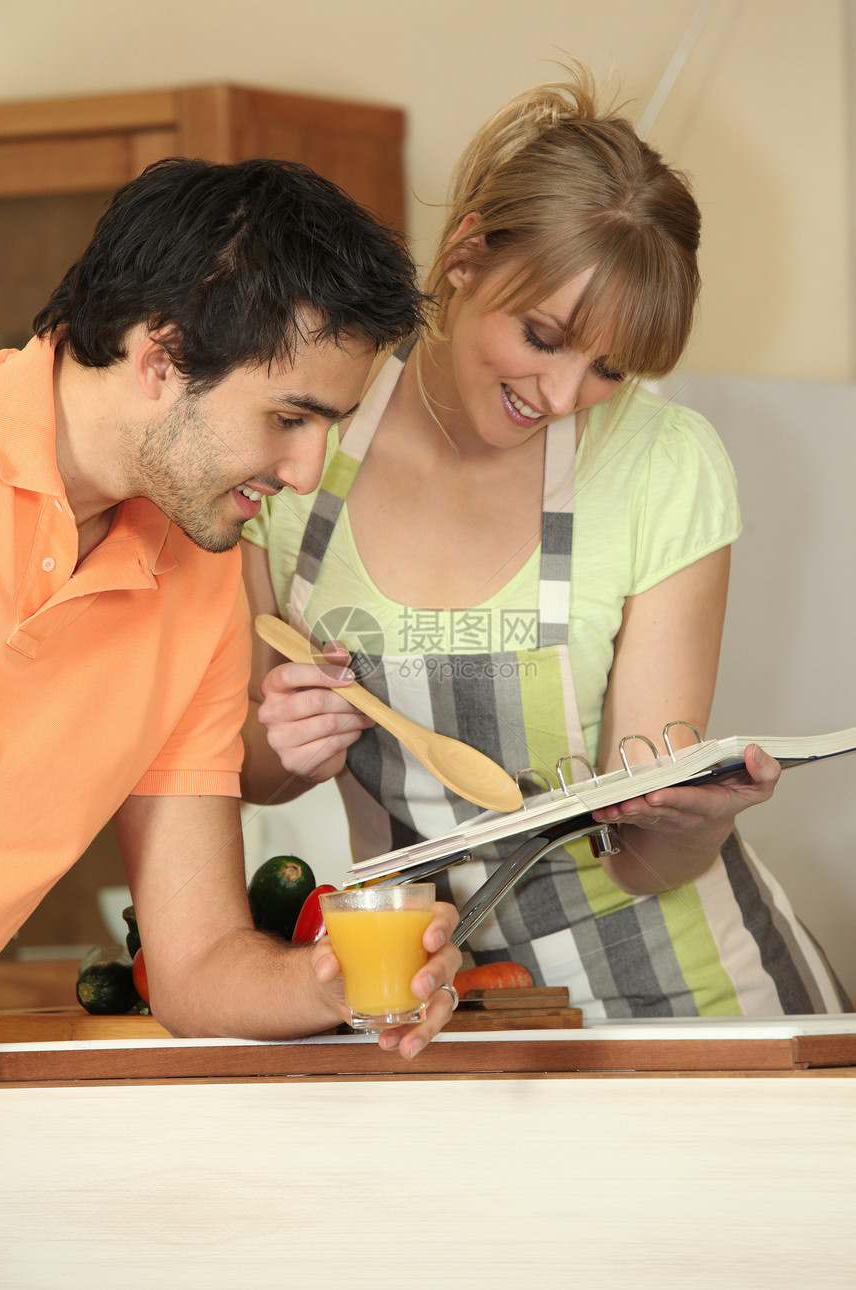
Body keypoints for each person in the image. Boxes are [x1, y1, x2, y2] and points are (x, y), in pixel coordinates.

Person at [240, 69, 851, 1019]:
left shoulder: (662, 461)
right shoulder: (307, 424)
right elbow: (243, 772)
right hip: (442, 1006)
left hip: (693, 1007)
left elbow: (650, 859)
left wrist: (695, 820)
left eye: (607, 367)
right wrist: (286, 745)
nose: (563, 397)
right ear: (466, 256)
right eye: (543, 336)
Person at [0, 156, 462, 1055]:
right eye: (289, 419)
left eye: (331, 426)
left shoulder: (203, 578)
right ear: (161, 359)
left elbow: (198, 962)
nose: (306, 472)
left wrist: (340, 979)